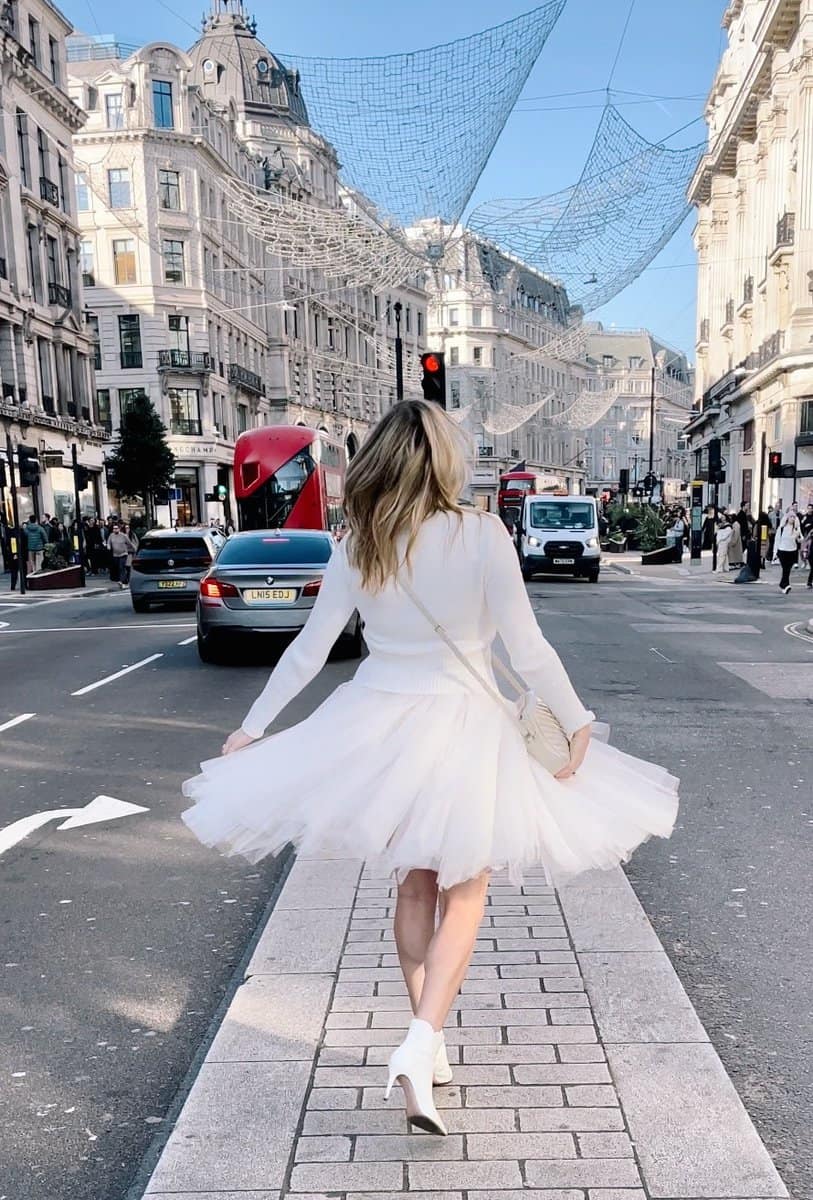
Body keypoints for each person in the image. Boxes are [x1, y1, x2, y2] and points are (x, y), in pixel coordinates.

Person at [180, 400, 679, 1136]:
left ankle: (426, 1036)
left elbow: (309, 650)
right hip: (466, 727)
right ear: (446, 461)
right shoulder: (481, 534)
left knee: (414, 884)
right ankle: (421, 1041)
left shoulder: (359, 541)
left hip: (378, 726)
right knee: (465, 890)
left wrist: (252, 728)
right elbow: (528, 648)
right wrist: (575, 720)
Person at [775, 507, 802, 593]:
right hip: (782, 550)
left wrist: (798, 536)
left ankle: (783, 585)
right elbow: (777, 540)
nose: (792, 519)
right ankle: (785, 585)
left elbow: (800, 539)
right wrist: (775, 553)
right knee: (785, 569)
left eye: (794, 517)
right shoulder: (782, 528)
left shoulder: (796, 528)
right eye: (791, 517)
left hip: (792, 551)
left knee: (787, 569)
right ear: (787, 517)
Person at [107, 522, 137, 588]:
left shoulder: (123, 536)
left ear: (119, 529)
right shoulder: (111, 535)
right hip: (115, 554)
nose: (115, 530)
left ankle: (121, 581)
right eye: (114, 529)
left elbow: (130, 543)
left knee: (121, 567)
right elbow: (108, 542)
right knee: (118, 568)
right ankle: (125, 580)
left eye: (116, 528)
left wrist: (135, 549)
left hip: (123, 554)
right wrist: (108, 547)